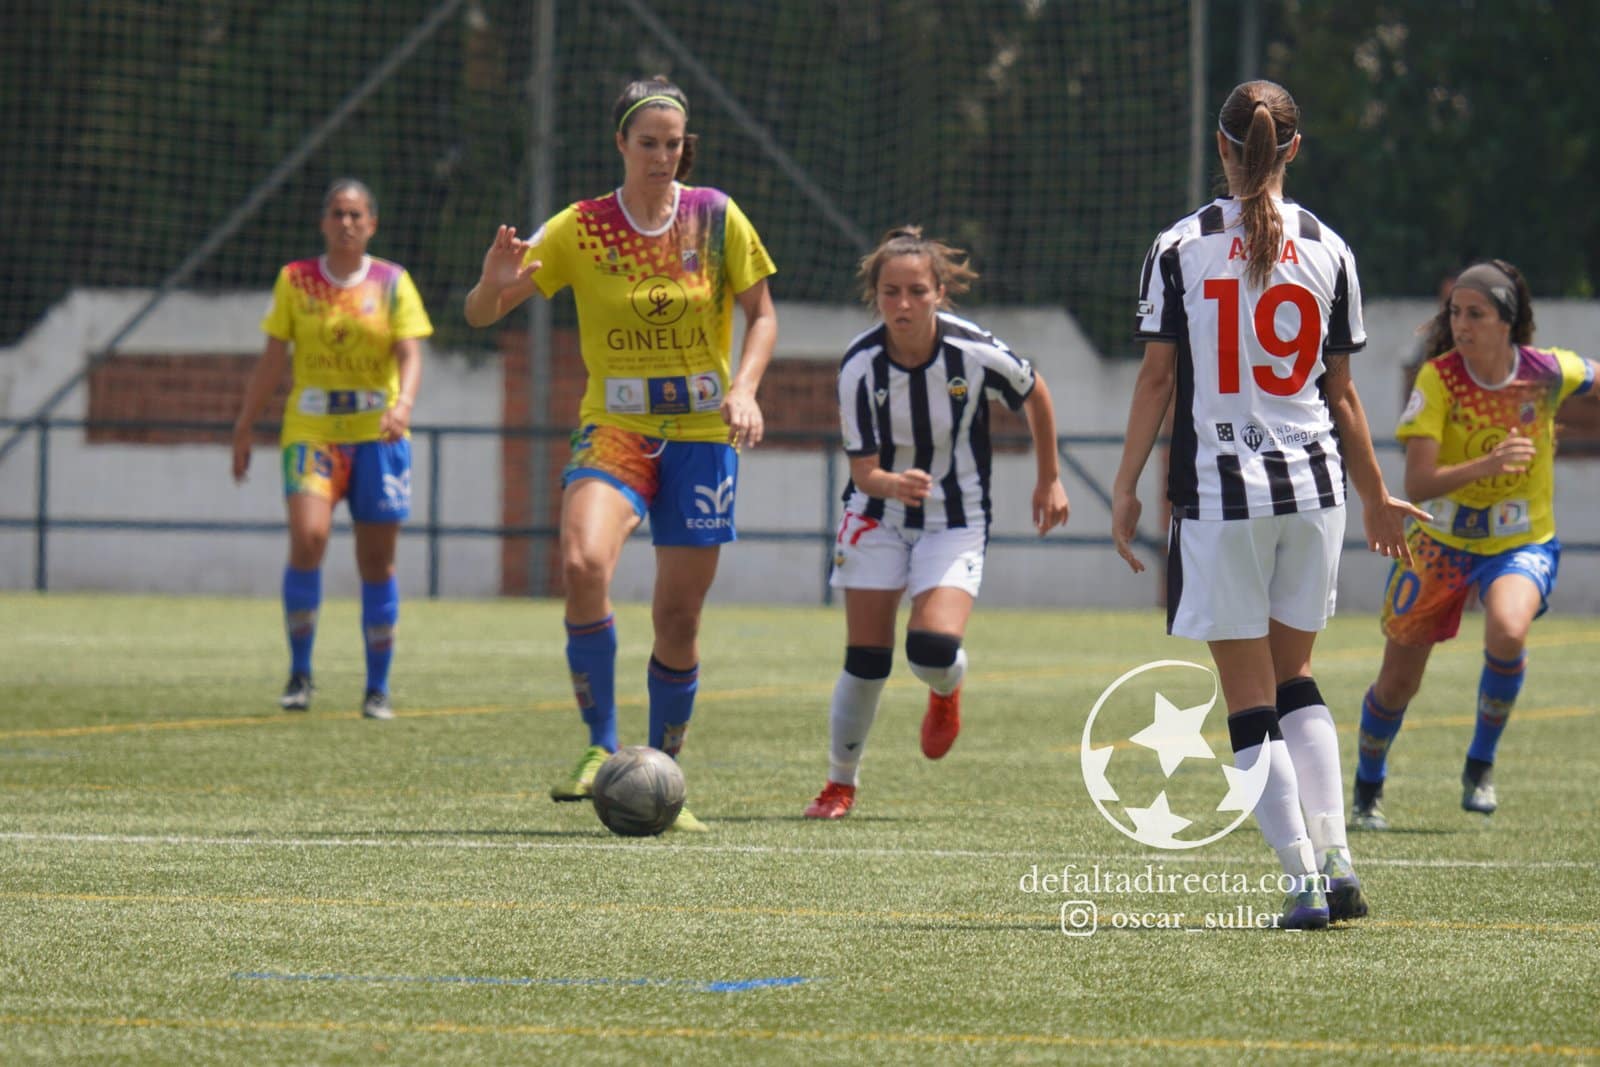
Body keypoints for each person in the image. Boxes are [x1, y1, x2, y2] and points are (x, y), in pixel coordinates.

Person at [1111, 80, 1427, 929]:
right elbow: (1343, 394)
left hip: (1221, 497)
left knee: (1250, 700)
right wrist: (1376, 496)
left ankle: (1303, 882)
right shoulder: (1331, 247)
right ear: (1295, 149)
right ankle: (1339, 861)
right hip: (1316, 490)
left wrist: (1126, 484)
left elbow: (1157, 379)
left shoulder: (1179, 246)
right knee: (1298, 682)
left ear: (1222, 147)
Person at [463, 76, 778, 833]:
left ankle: (666, 773)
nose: (662, 156)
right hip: (616, 427)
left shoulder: (716, 216)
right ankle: (600, 744)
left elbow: (762, 314)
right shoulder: (581, 228)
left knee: (678, 616)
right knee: (582, 564)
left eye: (673, 144)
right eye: (648, 143)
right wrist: (491, 284)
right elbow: (480, 314)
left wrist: (744, 388)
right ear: (620, 144)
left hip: (702, 436)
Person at [802, 226, 1070, 820]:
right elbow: (864, 470)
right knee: (866, 659)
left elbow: (1034, 392)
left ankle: (946, 690)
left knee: (931, 649)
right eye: (891, 292)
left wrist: (1049, 478)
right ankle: (839, 783)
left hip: (955, 518)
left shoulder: (972, 352)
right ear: (875, 295)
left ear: (940, 293)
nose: (903, 304)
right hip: (876, 514)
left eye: (917, 291)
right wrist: (892, 484)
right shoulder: (859, 367)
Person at [1352, 259, 1598, 829]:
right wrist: (1486, 464)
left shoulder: (1545, 372)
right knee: (1397, 683)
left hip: (1520, 542)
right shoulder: (1438, 380)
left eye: (1476, 314)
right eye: (1455, 313)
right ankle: (1367, 786)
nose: (1461, 324)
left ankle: (1480, 764)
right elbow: (1417, 484)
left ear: (1506, 320)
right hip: (1438, 544)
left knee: (1508, 629)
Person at [232, 177, 432, 721]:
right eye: (337, 213)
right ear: (323, 222)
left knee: (376, 561)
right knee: (309, 537)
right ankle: (299, 674)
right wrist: (245, 426)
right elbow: (272, 360)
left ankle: (377, 688)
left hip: (378, 436)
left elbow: (410, 354)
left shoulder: (392, 282)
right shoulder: (295, 280)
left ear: (372, 224)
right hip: (312, 432)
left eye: (356, 214)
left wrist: (403, 405)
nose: (346, 223)